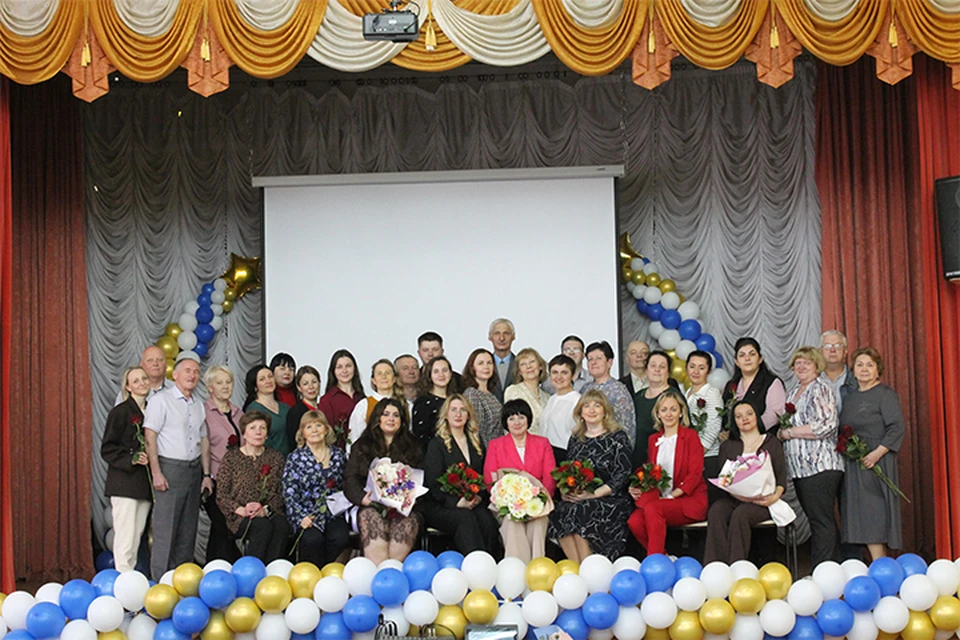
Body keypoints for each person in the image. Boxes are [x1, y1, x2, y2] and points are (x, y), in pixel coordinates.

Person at [144, 353, 213, 580]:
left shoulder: (198, 404)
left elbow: (203, 440)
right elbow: (150, 436)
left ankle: (182, 582)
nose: (192, 375)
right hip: (170, 469)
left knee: (187, 530)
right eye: (187, 371)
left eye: (196, 372)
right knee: (166, 530)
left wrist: (206, 474)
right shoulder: (161, 400)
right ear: (175, 374)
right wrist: (156, 472)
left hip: (194, 470)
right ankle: (160, 584)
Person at [778, 346, 843, 566]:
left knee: (821, 520)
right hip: (801, 468)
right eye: (798, 363)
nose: (801, 366)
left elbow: (826, 425)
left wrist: (789, 433)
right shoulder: (794, 390)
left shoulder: (821, 388)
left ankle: (822, 570)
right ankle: (833, 567)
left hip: (820, 465)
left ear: (817, 366)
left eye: (807, 362)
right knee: (818, 520)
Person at [550, 390, 632, 562]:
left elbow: (623, 473)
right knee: (561, 511)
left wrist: (594, 494)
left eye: (597, 405)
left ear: (605, 411)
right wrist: (567, 492)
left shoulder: (617, 437)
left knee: (580, 511)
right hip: (582, 497)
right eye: (586, 406)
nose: (592, 410)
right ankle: (579, 567)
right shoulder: (575, 439)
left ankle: (588, 567)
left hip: (610, 498)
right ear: (580, 412)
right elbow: (569, 471)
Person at [839, 348, 905, 560]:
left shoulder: (885, 394)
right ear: (853, 371)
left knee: (874, 513)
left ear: (878, 369)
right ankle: (878, 564)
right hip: (856, 463)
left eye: (869, 365)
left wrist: (877, 454)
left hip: (878, 461)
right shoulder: (850, 398)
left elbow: (896, 428)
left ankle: (880, 563)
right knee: (863, 516)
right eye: (859, 365)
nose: (864, 369)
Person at [704, 400, 787, 563]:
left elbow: (781, 479)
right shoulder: (728, 446)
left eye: (749, 414)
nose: (745, 419)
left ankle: (736, 566)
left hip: (764, 501)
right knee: (716, 511)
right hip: (734, 499)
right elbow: (725, 480)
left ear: (757, 416)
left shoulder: (772, 443)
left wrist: (773, 498)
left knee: (740, 515)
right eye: (739, 416)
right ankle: (716, 566)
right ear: (734, 421)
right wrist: (741, 496)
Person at [627, 390, 707, 556]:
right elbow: (649, 472)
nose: (668, 414)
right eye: (664, 410)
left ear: (681, 412)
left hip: (688, 500)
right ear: (658, 414)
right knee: (634, 521)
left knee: (653, 509)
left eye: (673, 409)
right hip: (660, 502)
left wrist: (673, 495)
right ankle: (662, 557)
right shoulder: (653, 440)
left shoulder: (690, 436)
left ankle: (653, 560)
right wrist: (635, 487)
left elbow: (695, 473)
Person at [344, 398, 424, 563]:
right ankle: (378, 571)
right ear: (377, 418)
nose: (391, 419)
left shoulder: (414, 445)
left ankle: (393, 570)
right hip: (371, 504)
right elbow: (350, 478)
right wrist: (363, 499)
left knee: (406, 522)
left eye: (396, 415)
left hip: (404, 508)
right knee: (371, 517)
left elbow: (421, 477)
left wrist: (410, 499)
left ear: (402, 421)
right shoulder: (362, 445)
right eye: (386, 414)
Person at [423, 395, 501, 556]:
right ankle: (476, 564)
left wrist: (478, 496)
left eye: (462, 410)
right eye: (453, 410)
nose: (458, 414)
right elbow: (433, 483)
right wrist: (456, 502)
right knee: (466, 519)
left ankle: (492, 564)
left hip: (472, 502)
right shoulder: (437, 444)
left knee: (487, 520)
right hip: (441, 505)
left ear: (468, 415)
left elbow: (483, 476)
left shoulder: (475, 441)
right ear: (446, 414)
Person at [484, 399, 557, 562]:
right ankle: (517, 569)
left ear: (528, 419)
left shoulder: (542, 443)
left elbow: (550, 478)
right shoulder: (495, 445)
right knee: (512, 524)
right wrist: (509, 503)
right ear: (506, 422)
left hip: (537, 504)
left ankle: (536, 568)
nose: (517, 422)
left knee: (538, 524)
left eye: (521, 417)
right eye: (511, 418)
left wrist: (538, 501)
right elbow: (491, 480)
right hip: (506, 506)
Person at [216, 411, 290, 562]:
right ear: (244, 433)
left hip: (269, 511)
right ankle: (252, 568)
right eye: (253, 428)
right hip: (240, 515)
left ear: (267, 434)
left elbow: (280, 492)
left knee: (281, 525)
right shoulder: (231, 458)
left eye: (262, 428)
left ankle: (272, 568)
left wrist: (265, 510)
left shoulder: (276, 458)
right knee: (262, 526)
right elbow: (222, 495)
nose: (258, 432)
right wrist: (240, 509)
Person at [101, 367, 153, 572]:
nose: (142, 383)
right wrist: (131, 459)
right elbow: (107, 448)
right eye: (136, 381)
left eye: (144, 379)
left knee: (137, 535)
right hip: (124, 483)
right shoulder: (120, 412)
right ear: (128, 387)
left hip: (144, 484)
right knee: (125, 537)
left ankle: (130, 578)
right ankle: (123, 577)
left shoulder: (153, 410)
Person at [283, 410, 351, 566]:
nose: (314, 430)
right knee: (313, 539)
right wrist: (301, 517)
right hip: (307, 514)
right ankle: (314, 574)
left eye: (318, 425)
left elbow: (345, 485)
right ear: (303, 433)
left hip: (333, 513)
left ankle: (327, 571)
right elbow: (289, 492)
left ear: (326, 429)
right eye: (309, 427)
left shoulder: (338, 455)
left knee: (341, 538)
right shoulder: (295, 458)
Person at [202, 365, 244, 562]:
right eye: (219, 383)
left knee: (221, 531)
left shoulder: (238, 413)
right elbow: (202, 447)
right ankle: (226, 566)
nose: (225, 386)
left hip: (237, 483)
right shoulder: (204, 412)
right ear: (210, 387)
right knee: (222, 526)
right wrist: (206, 475)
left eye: (228, 382)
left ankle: (212, 568)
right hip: (214, 480)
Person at [722, 338, 786, 433]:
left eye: (752, 354)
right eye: (742, 355)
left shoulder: (772, 382)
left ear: (760, 359)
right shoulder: (731, 385)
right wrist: (724, 432)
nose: (747, 358)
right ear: (737, 362)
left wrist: (749, 431)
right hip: (734, 439)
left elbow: (774, 415)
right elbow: (724, 414)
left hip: (762, 438)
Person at [581, 341, 636, 444]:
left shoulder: (618, 390)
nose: (593, 362)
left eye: (598, 358)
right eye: (590, 359)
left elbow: (627, 427)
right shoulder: (585, 389)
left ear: (609, 362)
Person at [683, 350, 724, 486]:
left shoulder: (712, 393)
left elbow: (713, 429)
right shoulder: (686, 393)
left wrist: (696, 456)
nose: (696, 371)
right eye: (692, 366)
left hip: (707, 457)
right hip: (691, 456)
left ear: (708, 371)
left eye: (701, 368)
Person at [348, 359, 407, 446]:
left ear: (394, 378)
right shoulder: (364, 405)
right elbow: (355, 437)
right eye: (379, 373)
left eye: (387, 373)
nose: (384, 376)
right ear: (373, 380)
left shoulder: (405, 404)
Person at [632, 351, 674, 467]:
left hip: (664, 462)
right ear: (646, 370)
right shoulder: (638, 397)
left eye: (662, 367)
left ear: (668, 372)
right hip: (638, 461)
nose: (657, 370)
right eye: (653, 366)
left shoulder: (673, 397)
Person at [318, 349, 365, 450]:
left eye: (348, 366)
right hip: (338, 453)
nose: (344, 371)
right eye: (339, 367)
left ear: (354, 368)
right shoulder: (327, 400)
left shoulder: (362, 397)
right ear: (333, 371)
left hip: (363, 452)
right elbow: (326, 433)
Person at [413, 356, 460, 452]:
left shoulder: (458, 400)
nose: (441, 375)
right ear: (429, 375)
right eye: (436, 371)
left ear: (451, 374)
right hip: (433, 454)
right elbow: (420, 438)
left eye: (445, 370)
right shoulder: (423, 403)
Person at [243, 364, 291, 455]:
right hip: (268, 460)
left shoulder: (286, 408)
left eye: (270, 376)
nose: (268, 381)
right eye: (262, 379)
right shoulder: (253, 410)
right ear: (255, 386)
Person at [541, 354, 581, 462]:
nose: (559, 377)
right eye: (555, 372)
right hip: (547, 453)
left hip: (564, 456)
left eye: (564, 372)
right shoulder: (552, 399)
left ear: (573, 375)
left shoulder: (577, 401)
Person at [461, 348, 503, 447]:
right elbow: (476, 430)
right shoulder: (472, 394)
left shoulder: (490, 394)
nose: (486, 367)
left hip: (497, 448)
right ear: (472, 368)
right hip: (485, 450)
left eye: (489, 363)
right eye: (481, 363)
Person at [503, 348, 549, 435]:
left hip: (546, 442)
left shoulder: (547, 397)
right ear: (519, 371)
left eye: (532, 362)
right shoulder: (513, 391)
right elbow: (512, 424)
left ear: (540, 366)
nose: (528, 366)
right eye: (523, 364)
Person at [285, 365, 322, 454]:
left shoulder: (324, 408)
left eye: (314, 382)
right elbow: (294, 443)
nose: (311, 387)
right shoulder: (295, 412)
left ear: (319, 383)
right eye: (305, 384)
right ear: (299, 387)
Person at [820, 330, 857, 414]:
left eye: (838, 346)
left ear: (845, 351)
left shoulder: (856, 380)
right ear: (821, 351)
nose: (832, 350)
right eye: (827, 346)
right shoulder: (812, 381)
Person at [488, 318, 517, 402]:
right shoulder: (482, 367)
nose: (501, 338)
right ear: (490, 337)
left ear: (513, 336)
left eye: (506, 333)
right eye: (497, 333)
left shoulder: (521, 365)